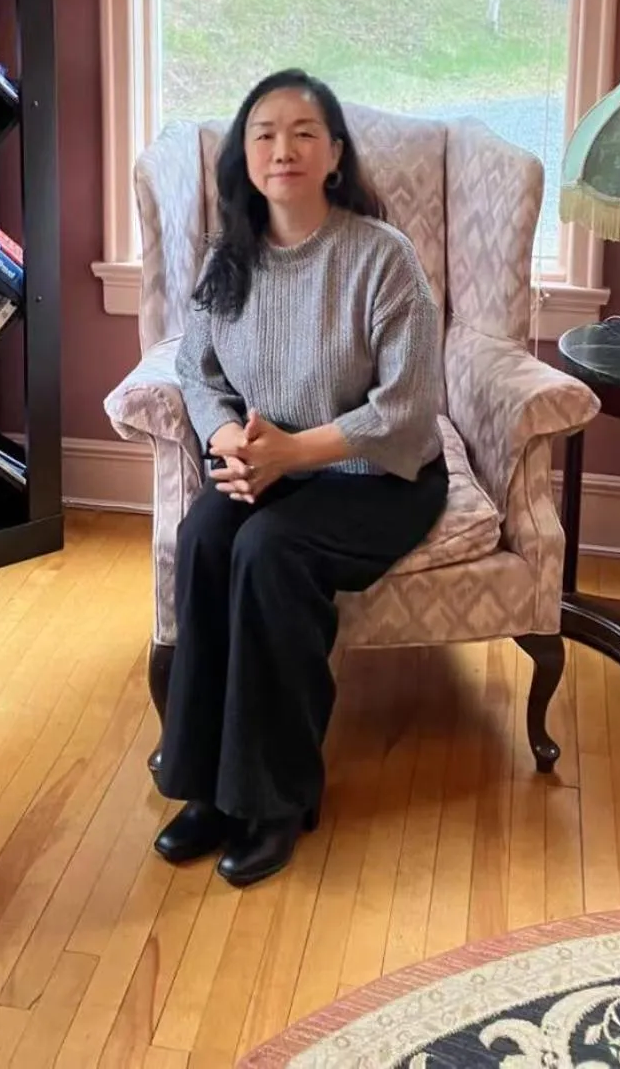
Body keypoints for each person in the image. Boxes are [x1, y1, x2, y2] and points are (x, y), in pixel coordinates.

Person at [153, 68, 448, 888]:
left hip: (381, 479)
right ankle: (208, 787)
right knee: (207, 535)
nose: (281, 148)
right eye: (263, 133)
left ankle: (276, 798)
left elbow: (409, 413)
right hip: (271, 461)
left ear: (334, 155)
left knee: (269, 553)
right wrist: (225, 437)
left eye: (302, 133)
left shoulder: (380, 258)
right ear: (243, 156)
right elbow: (195, 366)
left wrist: (290, 453)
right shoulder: (230, 257)